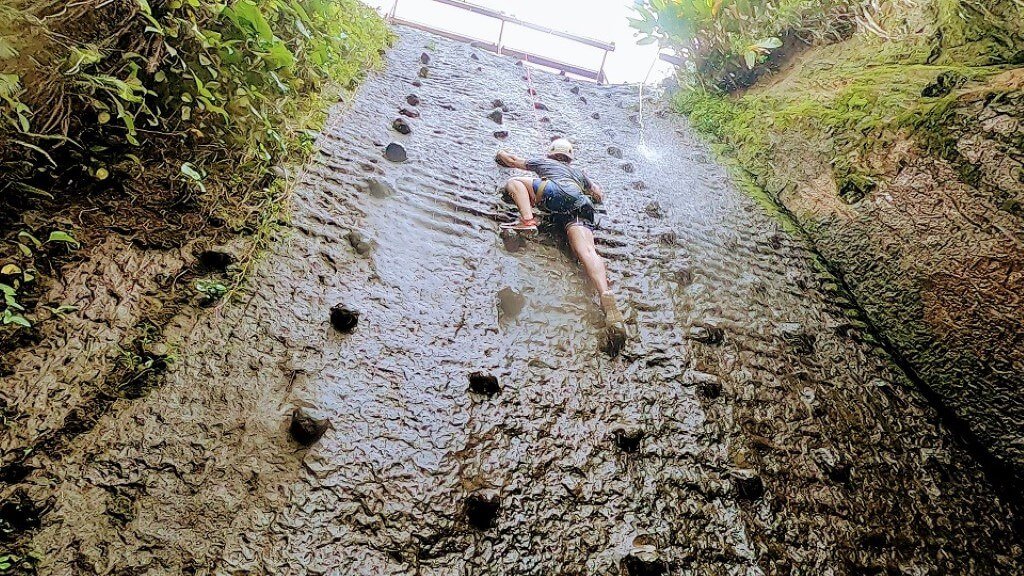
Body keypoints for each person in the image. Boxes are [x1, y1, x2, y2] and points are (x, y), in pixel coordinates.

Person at [495, 138, 625, 329]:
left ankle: (527, 220)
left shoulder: (544, 162)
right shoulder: (579, 174)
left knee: (514, 182)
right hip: (580, 205)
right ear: (569, 158)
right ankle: (605, 293)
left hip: (555, 193)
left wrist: (500, 153)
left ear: (551, 153)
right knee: (588, 251)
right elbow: (597, 193)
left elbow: (512, 161)